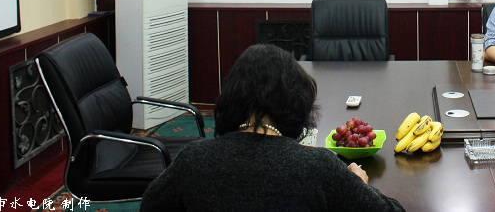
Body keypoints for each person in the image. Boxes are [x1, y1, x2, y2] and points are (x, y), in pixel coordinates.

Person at [140, 44, 404, 212]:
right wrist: (359, 186)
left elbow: (150, 206)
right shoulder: (318, 166)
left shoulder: (193, 160)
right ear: (296, 101)